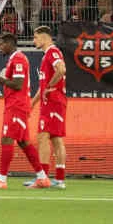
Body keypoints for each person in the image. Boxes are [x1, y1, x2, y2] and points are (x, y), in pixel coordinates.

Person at [0, 32, 49, 189]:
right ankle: (42, 178)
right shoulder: (14, 59)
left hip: (17, 105)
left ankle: (2, 179)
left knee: (7, 139)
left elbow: (17, 84)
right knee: (24, 143)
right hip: (16, 105)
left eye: (1, 44)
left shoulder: (18, 59)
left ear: (9, 43)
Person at [31, 25, 69, 189]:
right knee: (55, 138)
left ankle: (43, 178)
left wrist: (49, 87)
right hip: (52, 101)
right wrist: (32, 103)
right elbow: (43, 86)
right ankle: (59, 179)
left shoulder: (52, 52)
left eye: (35, 37)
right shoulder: (48, 55)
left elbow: (61, 69)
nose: (34, 41)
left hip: (53, 100)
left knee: (43, 137)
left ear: (44, 37)